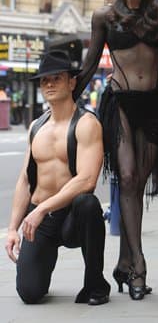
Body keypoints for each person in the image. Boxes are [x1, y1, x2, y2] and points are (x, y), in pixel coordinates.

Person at [74, 0, 158, 300]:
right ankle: (138, 265)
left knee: (138, 182)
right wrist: (64, 102)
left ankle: (123, 261)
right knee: (127, 178)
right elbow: (87, 67)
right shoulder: (105, 16)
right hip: (121, 104)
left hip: (154, 103)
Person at [4, 50, 110, 305]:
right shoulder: (36, 127)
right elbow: (25, 181)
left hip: (71, 217)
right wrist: (11, 229)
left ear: (72, 82)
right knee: (29, 293)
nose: (49, 84)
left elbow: (87, 180)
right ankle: (42, 264)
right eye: (44, 80)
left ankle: (96, 284)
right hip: (40, 218)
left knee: (88, 204)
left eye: (57, 78)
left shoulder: (86, 124)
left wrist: (44, 209)